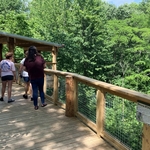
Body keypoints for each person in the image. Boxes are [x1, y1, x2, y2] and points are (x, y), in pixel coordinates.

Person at [24, 46, 47, 110]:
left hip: (32, 77)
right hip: (40, 76)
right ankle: (43, 102)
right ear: (35, 51)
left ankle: (35, 105)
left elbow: (24, 68)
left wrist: (29, 70)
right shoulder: (40, 57)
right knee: (41, 90)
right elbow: (44, 65)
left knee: (35, 91)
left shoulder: (27, 59)